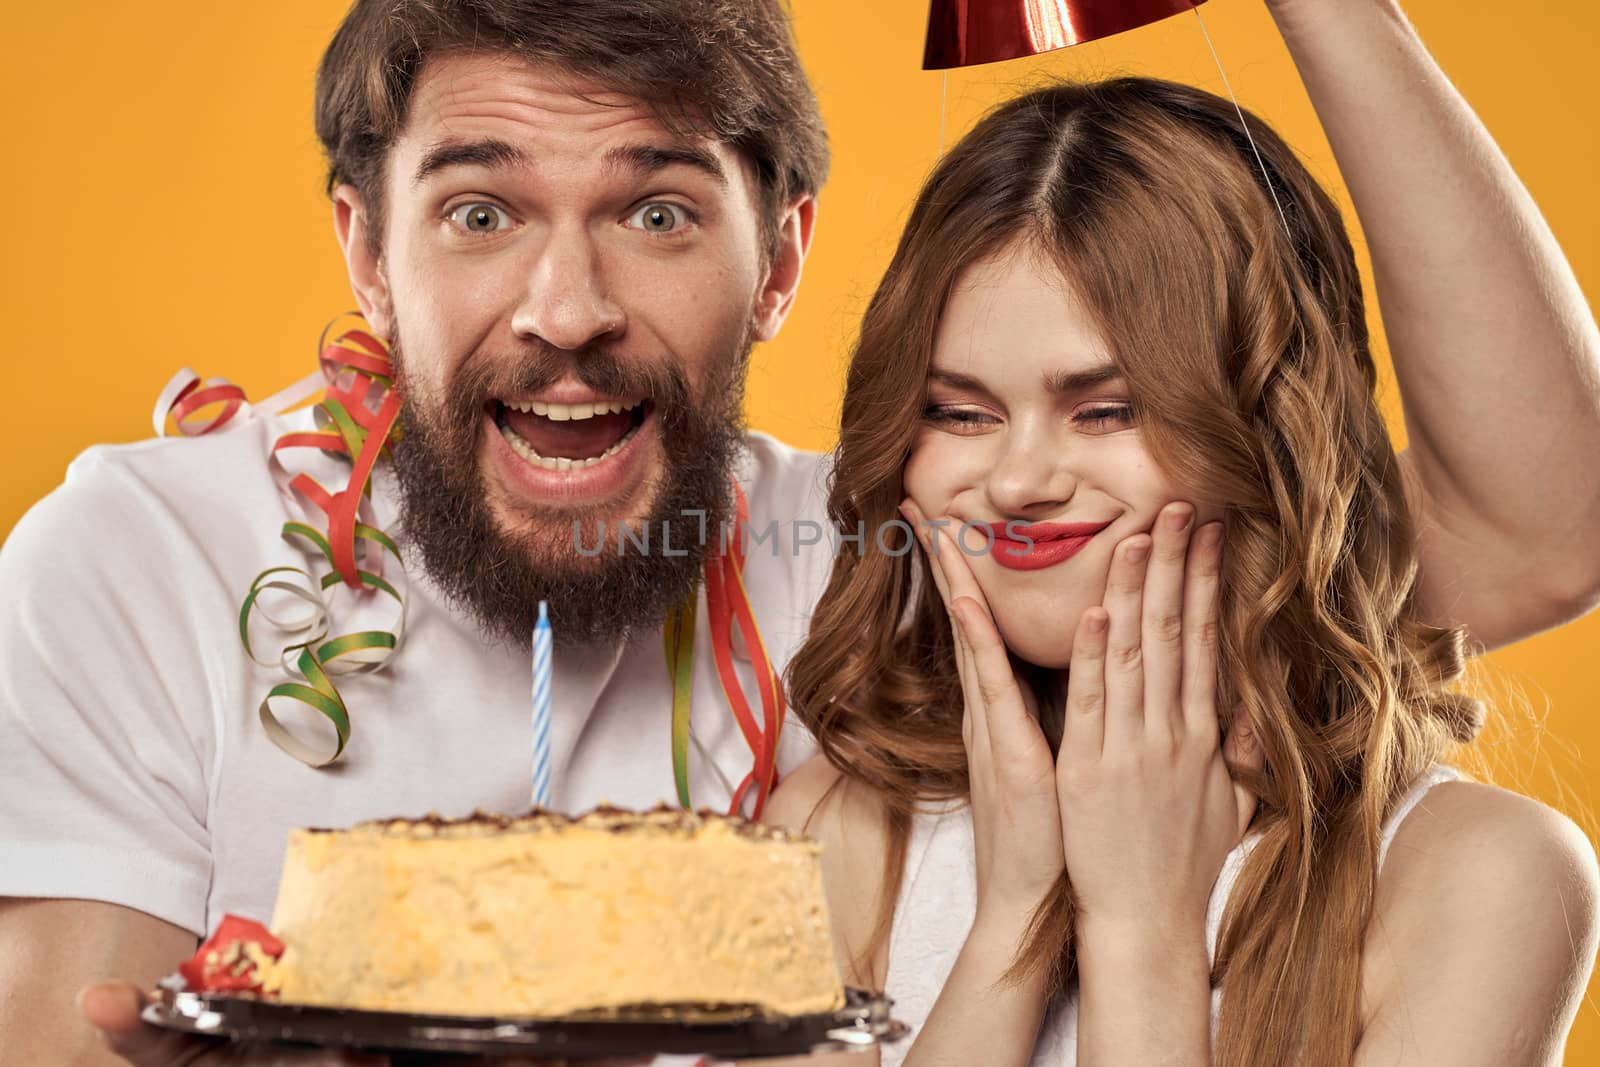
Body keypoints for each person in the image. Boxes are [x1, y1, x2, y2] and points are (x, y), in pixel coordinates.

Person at [0, 0, 1597, 1064]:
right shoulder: (871, 724)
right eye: (481, 211)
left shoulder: (852, 560)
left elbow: (1543, 524)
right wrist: (1046, 911)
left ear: (780, 260)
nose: (567, 310)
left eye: (658, 210)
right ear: (366, 244)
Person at [758, 7, 1600, 1067]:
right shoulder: (835, 827)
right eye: (960, 413)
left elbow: (1555, 520)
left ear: (1270, 434)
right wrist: (1015, 917)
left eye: (1106, 410)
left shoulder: (1483, 878)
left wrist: (1141, 936)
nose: (1015, 482)